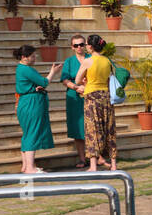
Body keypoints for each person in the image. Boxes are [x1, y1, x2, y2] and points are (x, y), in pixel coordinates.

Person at [13, 44, 63, 174]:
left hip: (26, 102)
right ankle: (30, 168)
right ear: (24, 57)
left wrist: (35, 86)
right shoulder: (26, 69)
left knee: (28, 133)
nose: (35, 57)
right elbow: (44, 82)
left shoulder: (21, 69)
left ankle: (25, 166)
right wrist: (53, 72)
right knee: (32, 133)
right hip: (31, 103)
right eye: (32, 56)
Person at [74, 34, 118, 172]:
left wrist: (85, 81)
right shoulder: (107, 61)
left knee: (92, 130)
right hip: (106, 97)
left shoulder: (88, 61)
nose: (85, 46)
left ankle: (93, 166)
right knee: (109, 129)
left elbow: (77, 80)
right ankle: (114, 164)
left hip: (92, 97)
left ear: (91, 47)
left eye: (86, 44)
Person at [59, 33, 88, 167]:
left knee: (92, 126)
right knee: (77, 128)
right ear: (72, 47)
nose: (79, 47)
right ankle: (82, 158)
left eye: (81, 44)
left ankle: (96, 156)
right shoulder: (69, 61)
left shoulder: (92, 58)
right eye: (76, 45)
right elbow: (64, 80)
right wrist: (76, 87)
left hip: (91, 95)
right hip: (74, 97)